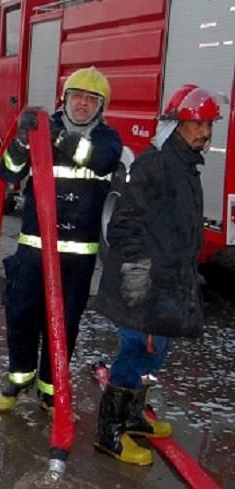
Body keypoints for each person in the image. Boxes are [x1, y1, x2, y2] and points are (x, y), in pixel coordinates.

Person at [93, 85, 221, 466]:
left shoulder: (185, 163)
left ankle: (133, 417)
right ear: (175, 125)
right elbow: (123, 225)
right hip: (145, 285)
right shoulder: (155, 164)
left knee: (156, 352)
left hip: (168, 282)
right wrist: (138, 277)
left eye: (209, 124)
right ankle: (109, 433)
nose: (205, 132)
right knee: (136, 353)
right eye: (196, 123)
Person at [0, 67, 123, 414]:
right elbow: (7, 172)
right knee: (21, 315)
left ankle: (52, 389)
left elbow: (99, 160)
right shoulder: (40, 130)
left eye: (90, 100)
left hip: (76, 259)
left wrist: (56, 138)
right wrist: (22, 140)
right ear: (64, 100)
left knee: (63, 324)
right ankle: (19, 378)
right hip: (34, 250)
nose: (82, 104)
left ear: (101, 107)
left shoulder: (109, 140)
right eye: (76, 97)